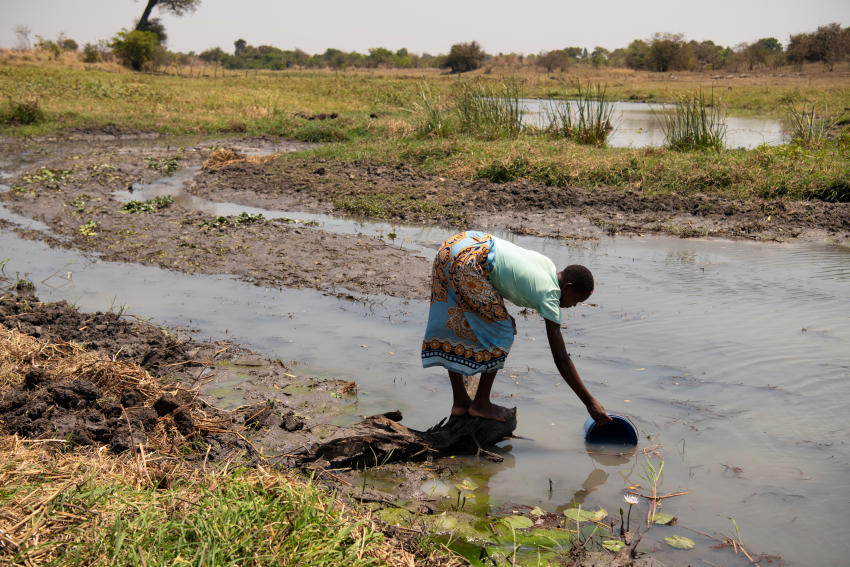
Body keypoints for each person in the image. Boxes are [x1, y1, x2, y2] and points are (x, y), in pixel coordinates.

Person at [422, 231, 611, 426]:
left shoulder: (546, 265)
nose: (573, 306)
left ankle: (461, 401)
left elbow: (500, 273)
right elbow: (561, 359)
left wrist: (500, 311)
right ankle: (481, 403)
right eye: (576, 300)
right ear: (568, 288)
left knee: (458, 320)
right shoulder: (549, 295)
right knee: (503, 331)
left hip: (456, 246)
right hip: (469, 263)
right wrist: (590, 402)